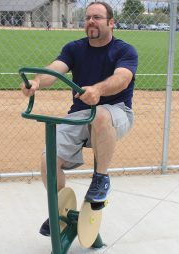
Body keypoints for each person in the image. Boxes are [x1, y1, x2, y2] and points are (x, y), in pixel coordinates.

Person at [21, 1, 138, 236]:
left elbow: (122, 78)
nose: (91, 22)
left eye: (97, 17)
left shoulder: (125, 50)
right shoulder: (75, 48)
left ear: (111, 22)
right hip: (80, 114)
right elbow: (54, 70)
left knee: (101, 116)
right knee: (48, 161)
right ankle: (59, 209)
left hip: (116, 110)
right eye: (87, 17)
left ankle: (101, 178)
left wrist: (98, 90)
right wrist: (36, 82)